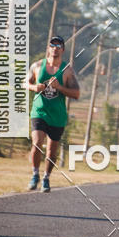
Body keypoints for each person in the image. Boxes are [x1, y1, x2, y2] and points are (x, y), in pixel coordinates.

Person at [26, 35, 80, 192]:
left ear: (62, 50)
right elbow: (25, 82)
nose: (55, 48)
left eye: (58, 45)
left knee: (51, 150)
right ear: (48, 48)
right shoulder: (37, 66)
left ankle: (46, 177)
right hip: (39, 111)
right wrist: (34, 88)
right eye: (52, 45)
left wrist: (60, 87)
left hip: (57, 115)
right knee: (37, 142)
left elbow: (76, 93)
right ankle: (35, 174)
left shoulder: (67, 71)